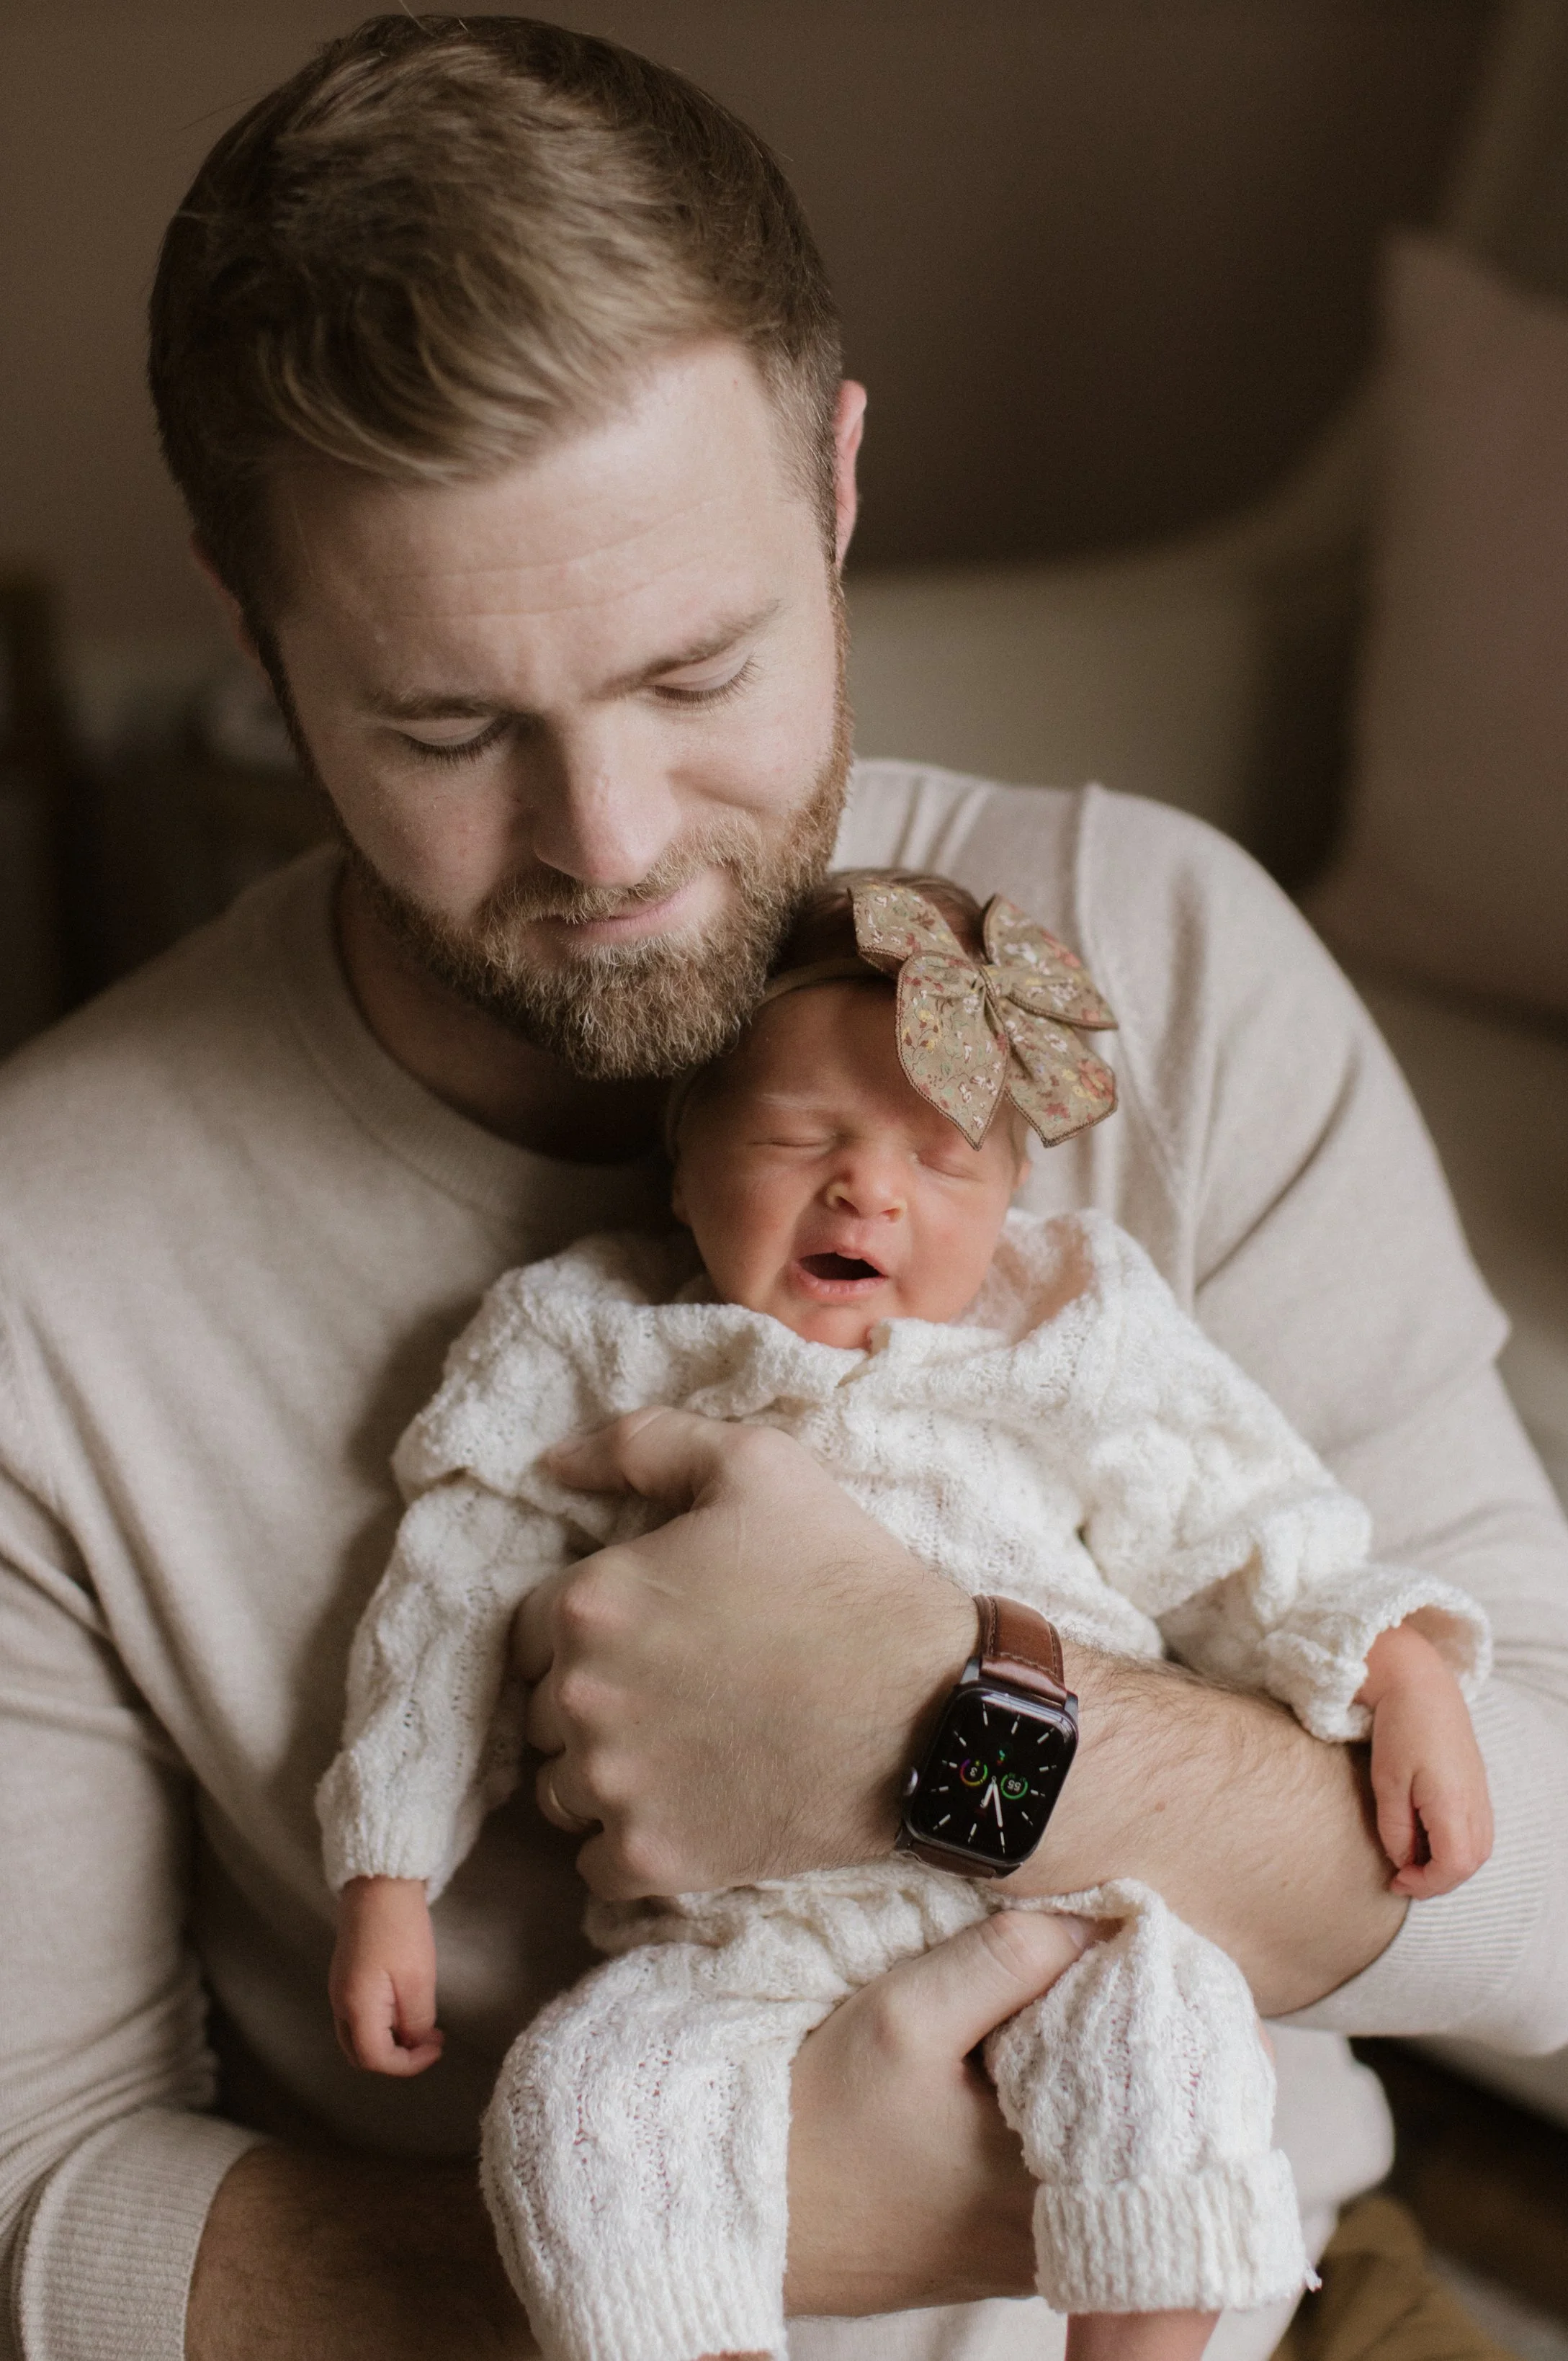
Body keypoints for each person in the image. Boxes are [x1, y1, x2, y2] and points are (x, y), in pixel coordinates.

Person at [0, 12, 1568, 2361]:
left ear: (840, 481)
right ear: (255, 633)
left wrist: (959, 1737)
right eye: (450, 727)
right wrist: (757, 2233)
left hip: (1253, 2289)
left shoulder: (1153, 954)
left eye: (701, 666)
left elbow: (1563, 1892)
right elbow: (34, 2215)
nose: (616, 847)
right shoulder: (47, 1257)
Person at [320, 871, 1495, 2361]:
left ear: (1011, 1203)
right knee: (585, 2103)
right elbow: (450, 1592)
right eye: (798, 1140)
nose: (867, 1192)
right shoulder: (601, 1342)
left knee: (1169, 2033)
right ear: (678, 1165)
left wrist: (1393, 1664)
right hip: (731, 1942)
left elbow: (1239, 1519)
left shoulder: (1067, 1330)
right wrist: (388, 1864)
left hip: (1061, 1893)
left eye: (942, 1164)